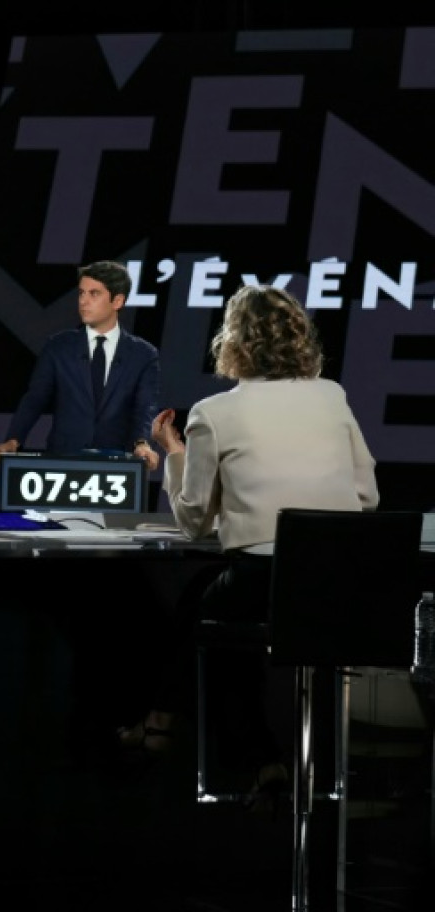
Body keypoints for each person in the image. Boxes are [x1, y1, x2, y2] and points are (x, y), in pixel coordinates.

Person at [125, 284, 378, 809]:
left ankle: (168, 726)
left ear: (232, 341)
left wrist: (174, 453)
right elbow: (366, 496)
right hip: (346, 588)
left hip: (264, 582)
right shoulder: (332, 396)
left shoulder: (214, 413)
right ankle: (242, 752)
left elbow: (193, 522)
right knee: (208, 602)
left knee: (207, 609)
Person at [0, 260, 161, 472]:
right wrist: (13, 439)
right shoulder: (58, 347)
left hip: (117, 466)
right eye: (81, 293)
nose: (83, 301)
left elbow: (144, 407)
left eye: (94, 294)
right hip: (63, 461)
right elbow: (35, 398)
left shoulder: (143, 354)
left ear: (117, 301)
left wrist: (142, 443)